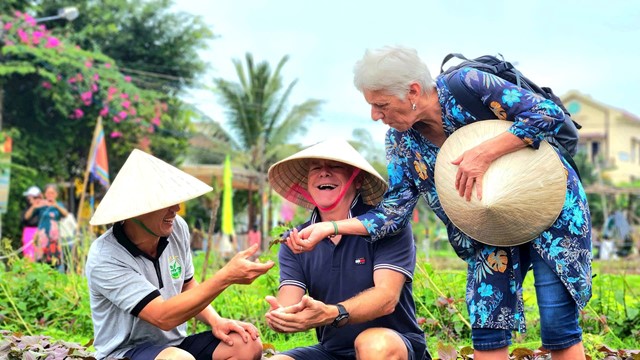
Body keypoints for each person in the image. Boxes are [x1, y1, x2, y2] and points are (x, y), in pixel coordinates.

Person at [290, 46, 592, 360]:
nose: (375, 116)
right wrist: (331, 227)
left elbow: (546, 114)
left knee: (558, 322)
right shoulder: (401, 141)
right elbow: (394, 212)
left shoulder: (467, 85)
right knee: (487, 322)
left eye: (381, 105)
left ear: (413, 91)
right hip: (488, 227)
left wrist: (484, 153)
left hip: (550, 208)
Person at [85, 149, 274, 360]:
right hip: (125, 352)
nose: (176, 208)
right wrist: (226, 276)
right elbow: (162, 316)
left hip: (175, 344)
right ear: (136, 210)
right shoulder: (106, 256)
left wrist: (216, 320)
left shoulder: (177, 228)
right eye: (165, 203)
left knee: (247, 345)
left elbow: (186, 285)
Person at [265, 139, 429, 360]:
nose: (324, 173)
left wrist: (331, 313)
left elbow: (387, 299)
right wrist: (281, 316)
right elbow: (289, 302)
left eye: (335, 166)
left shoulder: (387, 227)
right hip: (332, 351)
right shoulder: (296, 240)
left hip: (392, 344)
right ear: (307, 183)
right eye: (316, 168)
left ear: (358, 180)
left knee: (372, 343)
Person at [25, 183, 69, 267]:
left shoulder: (58, 205)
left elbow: (66, 214)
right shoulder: (41, 205)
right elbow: (27, 217)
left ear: (56, 194)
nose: (50, 195)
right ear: (44, 194)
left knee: (55, 261)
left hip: (54, 238)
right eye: (48, 193)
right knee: (41, 261)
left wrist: (56, 205)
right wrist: (34, 206)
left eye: (52, 193)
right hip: (42, 238)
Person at [20, 185, 43, 261]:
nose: (29, 198)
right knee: (29, 256)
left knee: (40, 256)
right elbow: (25, 218)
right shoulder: (28, 208)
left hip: (40, 232)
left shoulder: (43, 207)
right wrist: (33, 206)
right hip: (29, 232)